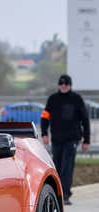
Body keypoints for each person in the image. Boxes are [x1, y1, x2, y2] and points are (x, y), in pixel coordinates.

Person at [41, 74, 90, 205]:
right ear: (58, 85)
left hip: (72, 139)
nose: (63, 86)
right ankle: (57, 194)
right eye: (61, 84)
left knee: (67, 167)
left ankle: (65, 195)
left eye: (66, 84)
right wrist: (44, 133)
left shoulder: (76, 99)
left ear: (70, 85)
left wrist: (87, 140)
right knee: (57, 166)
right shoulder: (52, 99)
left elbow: (85, 120)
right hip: (56, 138)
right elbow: (45, 117)